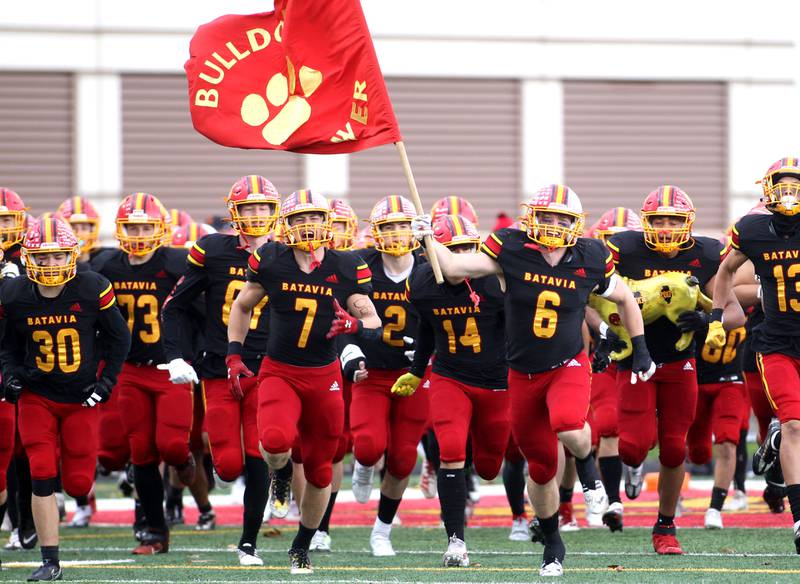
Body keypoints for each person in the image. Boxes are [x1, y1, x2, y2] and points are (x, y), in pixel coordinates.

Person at [417, 184, 654, 577]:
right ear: (532, 217)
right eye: (547, 216)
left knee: (567, 423)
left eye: (563, 218)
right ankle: (553, 543)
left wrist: (641, 347)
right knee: (541, 470)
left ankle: (590, 473)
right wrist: (427, 237)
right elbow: (457, 268)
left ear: (575, 224)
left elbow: (626, 299)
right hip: (521, 374)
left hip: (567, 364)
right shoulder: (511, 248)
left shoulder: (591, 256)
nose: (554, 224)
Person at [227, 189, 381, 574]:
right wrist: (234, 353)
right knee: (275, 443)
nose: (307, 226)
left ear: (328, 223)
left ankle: (301, 545)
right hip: (280, 370)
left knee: (320, 471)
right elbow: (243, 305)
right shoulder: (272, 259)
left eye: (314, 218)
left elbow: (375, 322)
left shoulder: (348, 266)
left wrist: (356, 325)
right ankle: (279, 472)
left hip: (323, 376)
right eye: (299, 219)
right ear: (286, 224)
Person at [606, 185, 743, 555]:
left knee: (672, 449)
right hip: (636, 358)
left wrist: (705, 320)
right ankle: (633, 468)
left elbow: (734, 312)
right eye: (658, 220)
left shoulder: (705, 254)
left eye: (674, 220)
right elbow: (592, 295)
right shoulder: (625, 250)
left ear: (688, 223)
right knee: (634, 448)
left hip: (681, 361)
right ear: (645, 222)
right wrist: (605, 331)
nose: (666, 227)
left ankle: (665, 527)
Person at [0, 217, 130, 581]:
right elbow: (8, 345)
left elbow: (119, 340)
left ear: (70, 255)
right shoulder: (14, 294)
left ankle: (68, 509)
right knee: (41, 470)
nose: (51, 264)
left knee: (77, 484)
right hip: (37, 395)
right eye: (43, 258)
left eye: (58, 257)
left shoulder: (91, 288)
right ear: (29, 259)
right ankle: (49, 560)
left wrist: (105, 384)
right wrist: (10, 375)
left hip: (81, 397)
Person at [162, 175, 278, 565]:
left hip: (269, 366)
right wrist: (176, 354)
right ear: (236, 213)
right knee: (227, 466)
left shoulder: (288, 254)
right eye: (249, 207)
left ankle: (248, 542)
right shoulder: (213, 250)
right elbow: (176, 305)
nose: (257, 214)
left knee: (257, 451)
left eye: (263, 206)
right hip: (218, 366)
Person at [394, 213, 508, 567]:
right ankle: (455, 540)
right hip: (450, 375)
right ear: (426, 252)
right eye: (448, 248)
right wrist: (416, 371)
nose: (457, 257)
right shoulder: (422, 284)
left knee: (489, 467)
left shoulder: (494, 282)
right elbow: (427, 328)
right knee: (451, 451)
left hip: (497, 381)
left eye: (463, 249)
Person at [92, 192, 196, 554]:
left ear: (161, 229)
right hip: (131, 370)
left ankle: (184, 460)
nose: (138, 233)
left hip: (170, 369)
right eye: (132, 226)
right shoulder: (107, 267)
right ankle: (155, 531)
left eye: (146, 226)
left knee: (170, 444)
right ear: (121, 229)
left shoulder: (177, 263)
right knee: (141, 453)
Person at [706, 158, 800, 553]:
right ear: (768, 189)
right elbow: (726, 271)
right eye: (784, 184)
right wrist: (716, 315)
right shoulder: (753, 229)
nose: (790, 192)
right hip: (776, 343)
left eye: (796, 184)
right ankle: (799, 517)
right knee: (793, 424)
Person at [348, 195, 428, 557]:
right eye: (388, 226)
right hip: (373, 373)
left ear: (416, 229)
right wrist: (352, 353)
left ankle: (381, 532)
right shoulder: (359, 265)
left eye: (403, 225)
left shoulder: (431, 267)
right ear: (374, 232)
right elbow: (342, 315)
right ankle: (364, 466)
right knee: (367, 446)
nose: (396, 233)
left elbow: (452, 318)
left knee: (402, 459)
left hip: (414, 374)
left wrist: (432, 351)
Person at [586, 206, 643, 531]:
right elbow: (580, 306)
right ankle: (613, 501)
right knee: (607, 425)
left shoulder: (649, 268)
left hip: (642, 359)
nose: (615, 248)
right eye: (609, 241)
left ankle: (634, 467)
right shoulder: (591, 269)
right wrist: (602, 333)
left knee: (641, 438)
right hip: (607, 357)